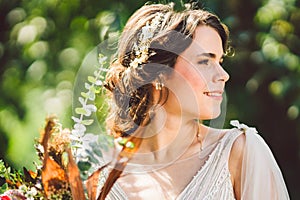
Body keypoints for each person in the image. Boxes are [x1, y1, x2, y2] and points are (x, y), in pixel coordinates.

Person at [95, 2, 290, 200]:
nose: (223, 75)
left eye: (219, 61)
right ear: (158, 74)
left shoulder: (239, 152)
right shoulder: (98, 170)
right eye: (205, 61)